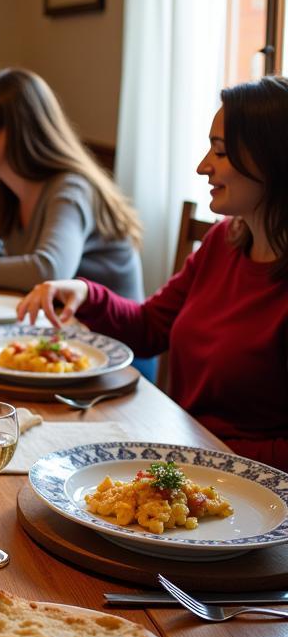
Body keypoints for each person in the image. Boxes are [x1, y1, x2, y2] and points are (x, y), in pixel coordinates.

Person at [18, 75, 288, 472]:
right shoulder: (222, 242)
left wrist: (206, 453)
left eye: (221, 152)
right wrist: (85, 292)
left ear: (272, 160)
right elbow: (149, 328)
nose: (202, 166)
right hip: (184, 455)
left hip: (245, 490)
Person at [0, 68, 144, 297]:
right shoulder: (12, 188)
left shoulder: (71, 190)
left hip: (103, 333)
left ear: (11, 132)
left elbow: (51, 271)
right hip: (59, 328)